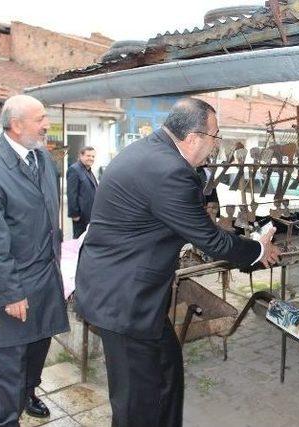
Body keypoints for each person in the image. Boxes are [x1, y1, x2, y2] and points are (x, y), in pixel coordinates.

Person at [75, 98, 280, 427]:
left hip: (131, 295)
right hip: (124, 303)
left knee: (168, 372)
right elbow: (210, 239)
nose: (215, 147)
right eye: (215, 137)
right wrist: (257, 249)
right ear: (194, 137)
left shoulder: (150, 151)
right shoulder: (169, 171)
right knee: (135, 405)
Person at [0, 94, 70, 426]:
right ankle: (6, 419)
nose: (46, 124)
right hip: (15, 284)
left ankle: (28, 395)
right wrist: (10, 293)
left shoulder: (42, 158)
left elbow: (50, 221)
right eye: (40, 118)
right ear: (16, 124)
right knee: (11, 362)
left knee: (39, 349)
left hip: (45, 277)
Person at [67, 146, 98, 238]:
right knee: (79, 242)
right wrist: (74, 214)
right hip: (80, 217)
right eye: (88, 156)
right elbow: (72, 193)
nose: (91, 158)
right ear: (81, 156)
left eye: (93, 156)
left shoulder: (88, 171)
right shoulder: (74, 170)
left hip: (89, 215)